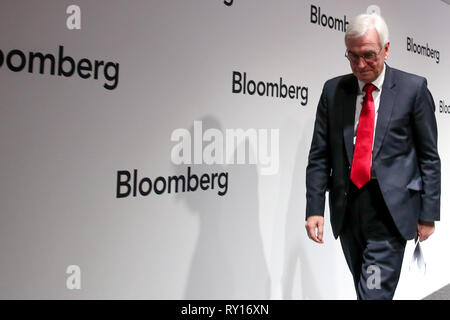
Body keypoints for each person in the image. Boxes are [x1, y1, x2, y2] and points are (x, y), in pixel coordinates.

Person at [305, 13, 440, 300]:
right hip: (348, 209)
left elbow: (429, 157)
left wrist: (428, 214)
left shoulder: (413, 89)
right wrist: (314, 208)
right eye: (352, 56)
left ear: (386, 49)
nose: (360, 64)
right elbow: (319, 155)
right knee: (365, 288)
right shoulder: (333, 90)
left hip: (389, 213)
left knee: (373, 293)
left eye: (368, 55)